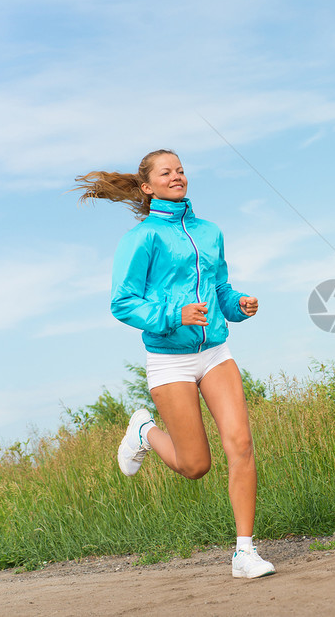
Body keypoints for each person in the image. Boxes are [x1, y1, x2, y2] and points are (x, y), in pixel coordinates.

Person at [75, 149, 275, 579]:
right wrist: (174, 316)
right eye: (166, 172)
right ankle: (143, 431)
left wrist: (238, 305)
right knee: (195, 466)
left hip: (215, 352)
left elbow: (220, 288)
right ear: (147, 187)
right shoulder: (141, 238)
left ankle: (244, 552)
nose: (177, 176)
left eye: (181, 170)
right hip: (169, 361)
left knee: (240, 444)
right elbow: (123, 302)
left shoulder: (209, 231)